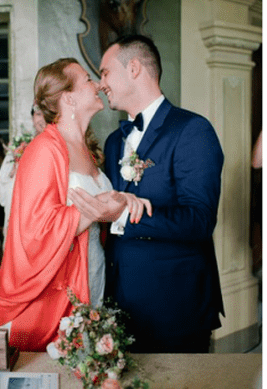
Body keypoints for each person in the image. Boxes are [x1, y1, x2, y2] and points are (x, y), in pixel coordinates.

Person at [72, 34, 224, 353]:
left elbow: (199, 220)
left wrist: (124, 214)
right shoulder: (114, 141)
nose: (101, 84)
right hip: (121, 305)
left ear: (134, 69)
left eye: (105, 72)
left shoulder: (193, 130)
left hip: (175, 305)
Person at [0, 58, 150, 352]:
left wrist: (117, 201)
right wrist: (95, 209)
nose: (97, 85)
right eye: (87, 80)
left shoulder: (86, 149)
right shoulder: (44, 149)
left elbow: (102, 209)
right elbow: (34, 230)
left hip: (92, 271)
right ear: (68, 98)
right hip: (57, 287)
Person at [0, 104, 47, 239]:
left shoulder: (61, 145)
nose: (42, 119)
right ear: (32, 118)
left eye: (46, 113)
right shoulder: (20, 144)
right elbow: (3, 182)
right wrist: (15, 169)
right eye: (38, 114)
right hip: (17, 214)